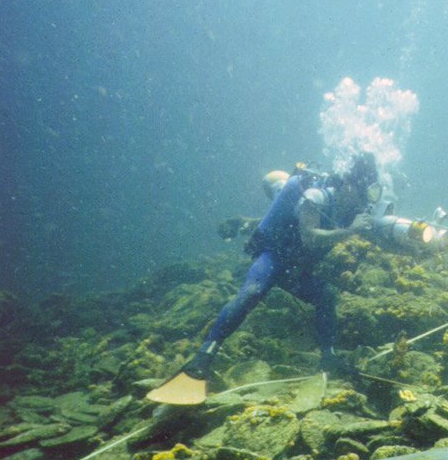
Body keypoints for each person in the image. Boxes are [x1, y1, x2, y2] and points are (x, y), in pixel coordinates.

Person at [147, 154, 383, 405]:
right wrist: (350, 231)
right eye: (360, 193)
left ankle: (329, 357)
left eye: (368, 195)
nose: (361, 202)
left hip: (295, 268)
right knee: (253, 292)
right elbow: (310, 238)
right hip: (274, 256)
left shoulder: (353, 208)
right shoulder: (316, 196)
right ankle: (201, 360)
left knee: (326, 295)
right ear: (347, 183)